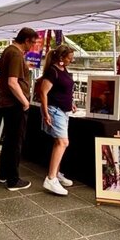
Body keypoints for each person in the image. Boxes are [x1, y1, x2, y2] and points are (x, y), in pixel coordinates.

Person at [0, 27, 38, 191]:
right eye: (33, 43)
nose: (33, 47)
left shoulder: (9, 51)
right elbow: (12, 82)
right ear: (26, 40)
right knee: (15, 141)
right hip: (14, 104)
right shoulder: (15, 53)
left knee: (9, 140)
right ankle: (13, 179)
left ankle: (4, 174)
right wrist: (25, 102)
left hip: (8, 103)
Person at [39, 44, 76, 196]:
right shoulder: (52, 71)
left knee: (58, 142)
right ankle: (51, 178)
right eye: (69, 58)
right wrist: (46, 112)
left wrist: (71, 102)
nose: (71, 61)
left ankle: (56, 173)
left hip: (63, 110)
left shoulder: (62, 69)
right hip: (55, 110)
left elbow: (65, 89)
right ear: (61, 58)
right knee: (62, 142)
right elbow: (43, 92)